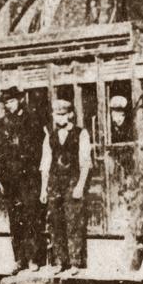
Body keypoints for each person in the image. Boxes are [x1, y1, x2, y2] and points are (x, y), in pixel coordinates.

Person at [0, 88, 46, 271]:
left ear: (20, 100)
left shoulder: (34, 122)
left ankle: (34, 258)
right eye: (6, 102)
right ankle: (19, 258)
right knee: (15, 219)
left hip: (30, 180)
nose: (8, 105)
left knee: (32, 217)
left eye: (11, 101)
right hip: (9, 182)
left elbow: (43, 152)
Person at [40, 99, 91, 273]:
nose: (58, 118)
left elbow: (85, 163)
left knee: (73, 222)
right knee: (55, 222)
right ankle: (60, 261)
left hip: (72, 181)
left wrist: (80, 186)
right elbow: (45, 163)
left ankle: (75, 262)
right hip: (55, 183)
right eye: (55, 114)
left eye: (62, 114)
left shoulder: (81, 133)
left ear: (70, 115)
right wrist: (43, 189)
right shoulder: (50, 136)